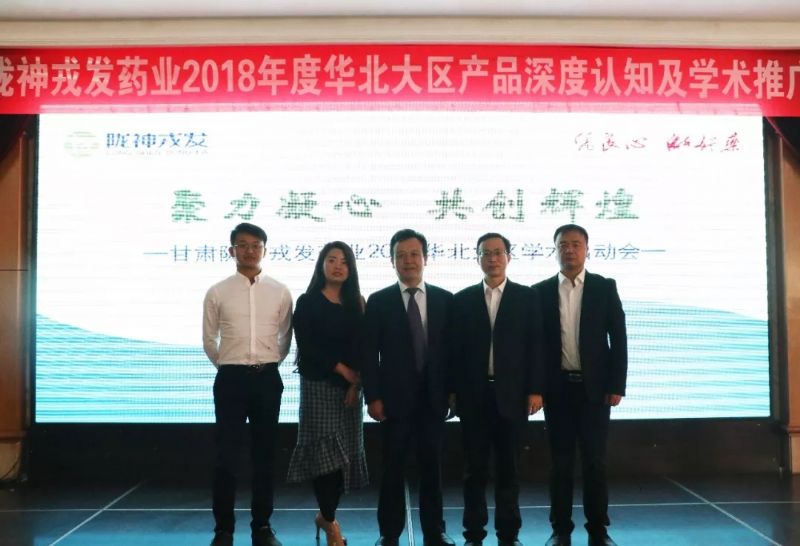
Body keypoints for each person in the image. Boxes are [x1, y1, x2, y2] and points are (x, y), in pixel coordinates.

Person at [532, 224, 627, 546]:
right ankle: (560, 530)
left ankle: (598, 529)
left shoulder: (604, 287)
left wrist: (617, 384)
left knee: (595, 462)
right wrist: (536, 388)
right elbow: (535, 346)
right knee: (560, 463)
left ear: (587, 249)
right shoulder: (540, 291)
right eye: (563, 245)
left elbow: (619, 338)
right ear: (555, 249)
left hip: (595, 390)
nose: (569, 250)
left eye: (575, 244)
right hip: (557, 390)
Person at [361, 229, 456, 546]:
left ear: (425, 258)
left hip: (434, 400)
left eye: (414, 254)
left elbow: (453, 352)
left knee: (433, 470)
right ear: (392, 261)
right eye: (401, 255)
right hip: (393, 402)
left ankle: (435, 531)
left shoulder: (445, 300)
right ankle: (389, 533)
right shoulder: (379, 301)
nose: (408, 260)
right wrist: (373, 396)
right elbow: (369, 355)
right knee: (392, 470)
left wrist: (453, 392)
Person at [451, 233, 544, 546]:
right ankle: (473, 534)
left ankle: (508, 534)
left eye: (498, 252)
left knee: (509, 471)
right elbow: (453, 352)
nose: (492, 258)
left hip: (513, 397)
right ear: (477, 258)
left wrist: (535, 389)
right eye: (486, 253)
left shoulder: (527, 297)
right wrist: (453, 391)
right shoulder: (462, 299)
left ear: (508, 257)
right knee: (473, 471)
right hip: (474, 397)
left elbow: (536, 346)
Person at [202, 222, 292, 546]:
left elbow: (285, 338)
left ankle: (262, 527)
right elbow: (209, 340)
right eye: (243, 245)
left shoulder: (280, 291)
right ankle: (223, 530)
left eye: (256, 245)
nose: (250, 251)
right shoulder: (217, 292)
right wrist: (231, 365)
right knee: (226, 456)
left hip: (267, 378)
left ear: (265, 250)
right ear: (232, 250)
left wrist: (266, 364)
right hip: (231, 380)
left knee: (265, 455)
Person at [286, 241, 369, 546]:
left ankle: (325, 516)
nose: (337, 266)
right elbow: (308, 346)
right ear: (321, 264)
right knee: (326, 462)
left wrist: (354, 384)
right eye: (331, 260)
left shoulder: (357, 302)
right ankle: (331, 524)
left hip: (350, 390)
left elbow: (363, 347)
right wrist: (342, 370)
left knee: (344, 460)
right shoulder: (308, 301)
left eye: (344, 261)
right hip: (318, 386)